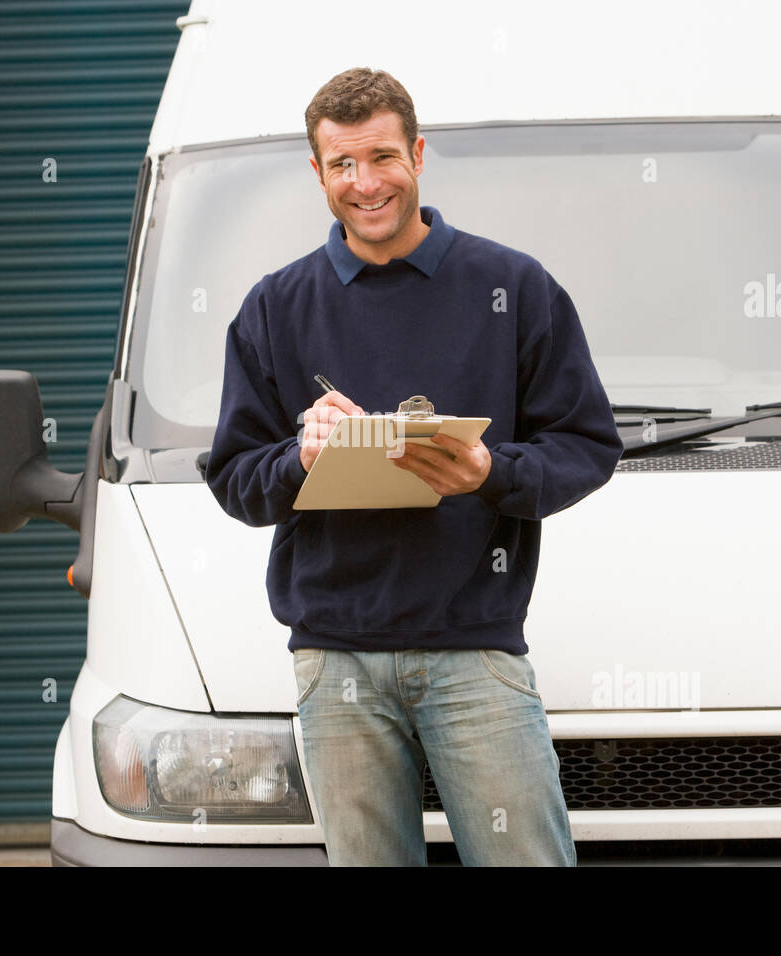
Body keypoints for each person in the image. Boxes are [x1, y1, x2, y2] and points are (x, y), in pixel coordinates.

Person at [205, 67, 623, 866]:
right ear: (318, 172)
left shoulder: (512, 287)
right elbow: (234, 478)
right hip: (334, 662)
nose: (366, 184)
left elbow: (587, 445)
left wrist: (491, 474)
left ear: (419, 154)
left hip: (477, 651)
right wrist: (299, 457)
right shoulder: (275, 307)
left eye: (382, 158)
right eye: (342, 165)